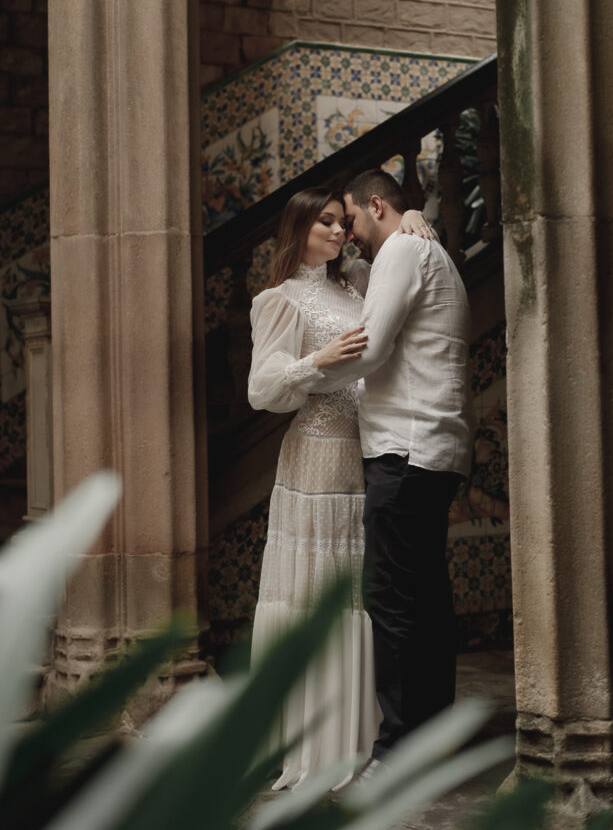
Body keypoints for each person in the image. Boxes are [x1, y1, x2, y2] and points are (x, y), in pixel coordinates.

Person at [247, 186, 429, 790]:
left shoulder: (355, 281)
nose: (336, 231)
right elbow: (263, 391)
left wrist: (416, 217)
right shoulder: (281, 299)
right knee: (315, 595)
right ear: (298, 229)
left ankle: (362, 738)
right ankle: (309, 742)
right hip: (315, 459)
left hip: (365, 452)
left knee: (360, 595)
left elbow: (398, 260)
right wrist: (316, 361)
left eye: (338, 222)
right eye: (323, 222)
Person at [317, 168, 475, 776]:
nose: (348, 233)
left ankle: (403, 750)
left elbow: (373, 346)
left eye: (351, 219)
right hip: (434, 449)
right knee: (427, 599)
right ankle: (433, 737)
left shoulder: (406, 248)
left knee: (394, 601)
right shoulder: (419, 247)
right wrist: (402, 221)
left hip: (405, 452)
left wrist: (306, 377)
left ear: (375, 205)